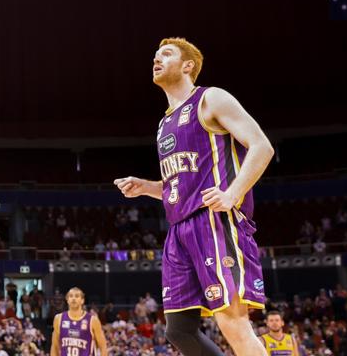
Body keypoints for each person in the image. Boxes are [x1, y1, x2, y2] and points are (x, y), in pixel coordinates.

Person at [114, 38, 274, 356]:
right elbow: (179, 185)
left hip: (214, 220)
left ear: (188, 65)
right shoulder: (164, 124)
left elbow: (261, 146)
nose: (156, 59)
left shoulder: (210, 99)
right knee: (179, 330)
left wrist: (232, 193)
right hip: (179, 230)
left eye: (166, 54)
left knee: (232, 322)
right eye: (155, 55)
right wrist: (148, 187)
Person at [49, 288, 106, 356]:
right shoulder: (59, 318)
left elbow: (103, 346)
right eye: (71, 296)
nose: (73, 298)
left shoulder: (92, 320)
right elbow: (54, 346)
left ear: (82, 300)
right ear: (67, 300)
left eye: (76, 296)